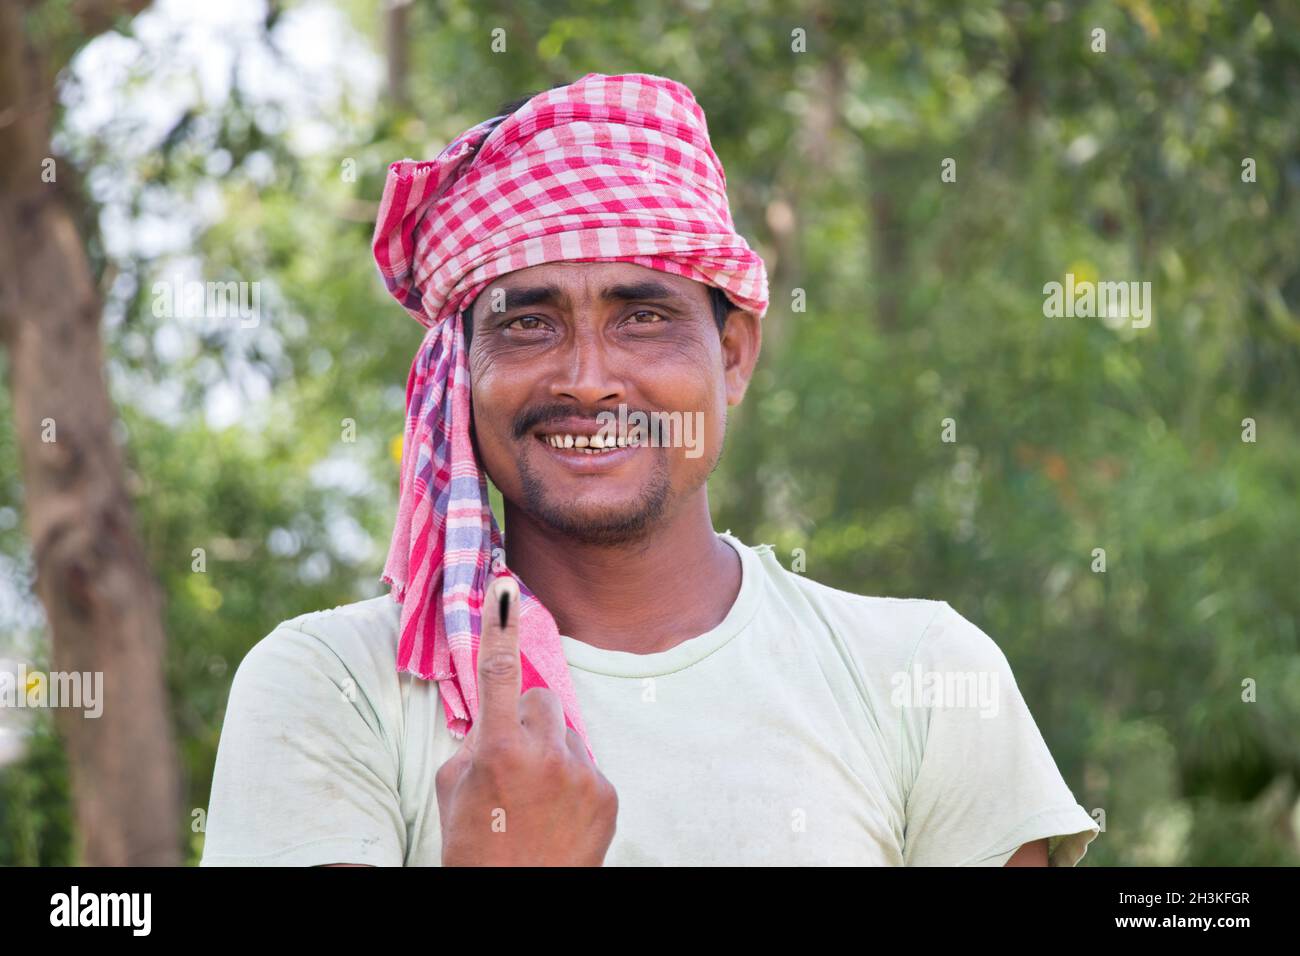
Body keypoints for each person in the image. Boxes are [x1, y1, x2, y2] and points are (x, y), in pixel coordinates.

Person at [200, 72, 1099, 867]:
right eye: (527, 324)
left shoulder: (924, 675)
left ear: (735, 353)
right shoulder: (334, 686)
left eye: (643, 318)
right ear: (457, 375)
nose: (588, 379)